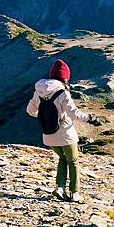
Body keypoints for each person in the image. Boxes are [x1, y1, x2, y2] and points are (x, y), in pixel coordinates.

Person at [27, 59, 102, 202]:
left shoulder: (39, 91)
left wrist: (45, 117)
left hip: (49, 135)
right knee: (73, 161)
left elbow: (30, 111)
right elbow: (75, 114)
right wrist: (91, 118)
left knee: (62, 158)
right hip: (66, 134)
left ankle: (60, 188)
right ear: (65, 78)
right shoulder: (63, 93)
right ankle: (75, 193)